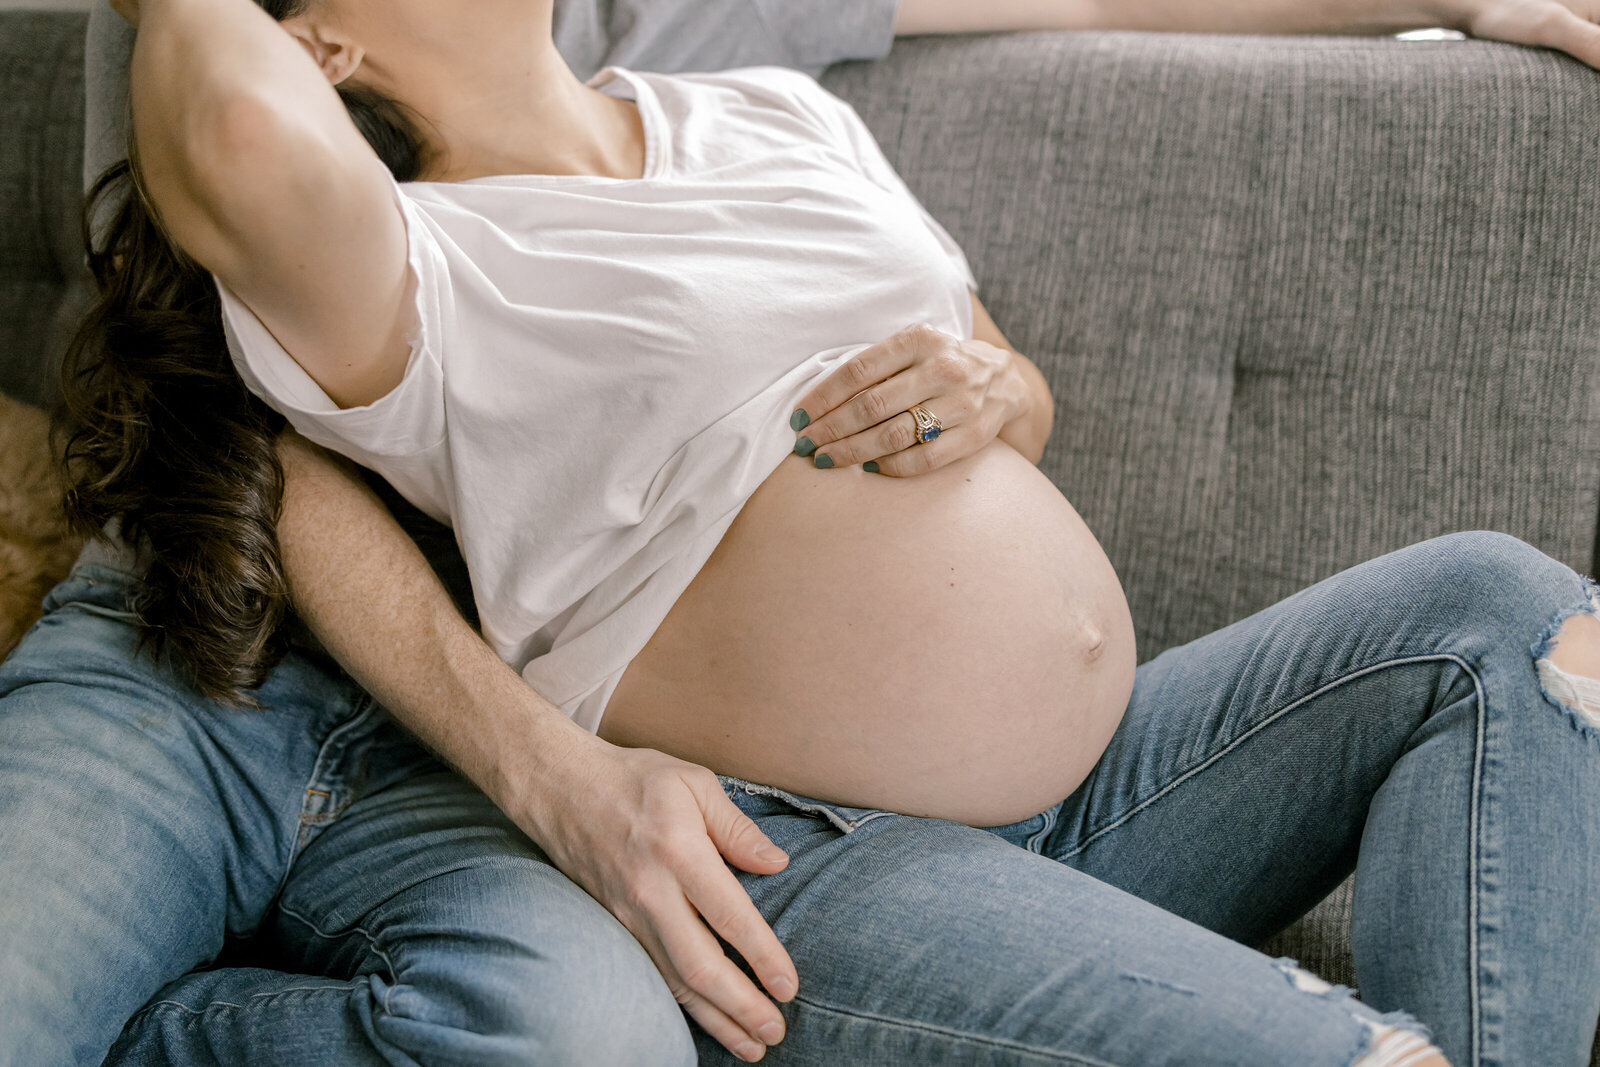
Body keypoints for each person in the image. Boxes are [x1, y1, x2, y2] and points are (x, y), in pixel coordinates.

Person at [13, 5, 1600, 1067]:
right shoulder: (412, 273)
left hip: (1111, 789)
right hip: (789, 845)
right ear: (324, 40)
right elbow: (228, 128)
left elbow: (994, 369)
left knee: (1518, 620)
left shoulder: (763, 107)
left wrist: (999, 388)